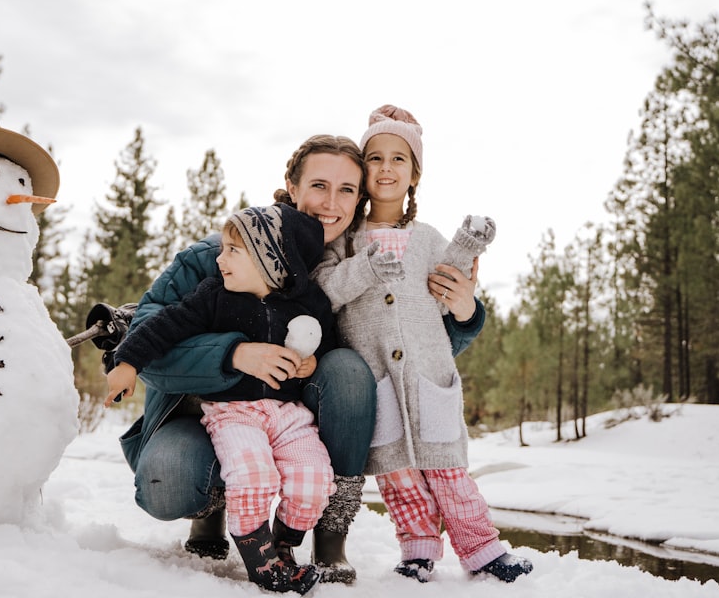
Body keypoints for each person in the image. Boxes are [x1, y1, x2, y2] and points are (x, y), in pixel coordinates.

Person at [114, 133, 488, 585]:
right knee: (169, 479)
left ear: (360, 199)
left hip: (292, 417)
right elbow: (145, 339)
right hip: (202, 414)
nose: (331, 202)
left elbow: (409, 352)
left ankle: (329, 538)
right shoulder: (221, 256)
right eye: (318, 186)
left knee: (349, 370)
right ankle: (211, 508)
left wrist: (465, 314)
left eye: (347, 189)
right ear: (291, 187)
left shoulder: (359, 263)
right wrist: (234, 354)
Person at [313, 105, 533, 584]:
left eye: (399, 159)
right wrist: (367, 266)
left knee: (448, 468)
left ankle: (482, 549)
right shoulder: (344, 241)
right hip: (376, 378)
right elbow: (325, 291)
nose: (386, 168)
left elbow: (452, 285)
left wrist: (469, 248)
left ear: (415, 174)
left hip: (429, 374)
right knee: (397, 474)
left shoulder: (428, 238)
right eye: (375, 158)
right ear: (361, 168)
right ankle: (417, 549)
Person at [106, 204, 333, 594]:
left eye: (232, 250)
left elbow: (328, 341)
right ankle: (261, 561)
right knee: (252, 475)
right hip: (234, 413)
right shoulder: (214, 297)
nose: (220, 258)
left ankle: (283, 543)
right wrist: (127, 362)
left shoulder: (306, 304)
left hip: (287, 414)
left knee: (314, 477)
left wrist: (310, 365)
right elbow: (164, 325)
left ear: (271, 261)